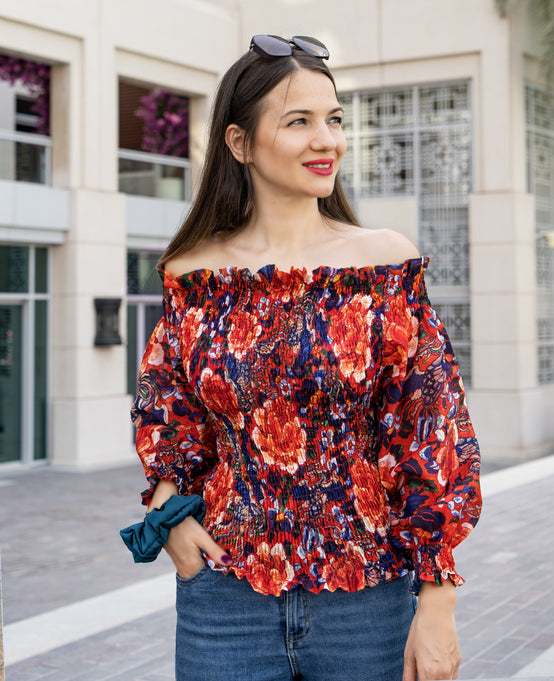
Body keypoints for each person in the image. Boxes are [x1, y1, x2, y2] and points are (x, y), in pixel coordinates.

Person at [125, 34, 482, 681]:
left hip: (367, 603)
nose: (328, 140)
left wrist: (437, 598)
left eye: (334, 118)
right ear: (240, 143)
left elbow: (435, 429)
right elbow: (168, 409)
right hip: (223, 592)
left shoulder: (383, 261)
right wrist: (167, 508)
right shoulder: (192, 272)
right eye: (299, 122)